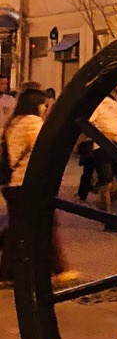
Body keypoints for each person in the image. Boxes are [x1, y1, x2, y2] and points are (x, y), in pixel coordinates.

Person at [0, 85, 76, 284]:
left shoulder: (14, 122)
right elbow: (44, 148)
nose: (45, 109)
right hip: (28, 184)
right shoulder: (33, 123)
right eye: (44, 105)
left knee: (16, 230)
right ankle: (60, 269)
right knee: (48, 224)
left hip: (13, 184)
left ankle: (6, 273)